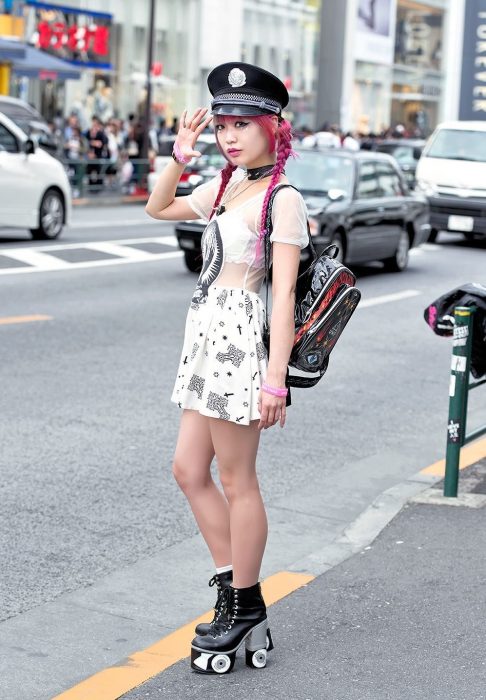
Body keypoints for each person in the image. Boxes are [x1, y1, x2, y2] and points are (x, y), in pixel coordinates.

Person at [146, 62, 308, 675]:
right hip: (205, 338)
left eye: (244, 124)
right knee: (188, 470)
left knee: (239, 480)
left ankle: (242, 604)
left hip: (242, 343)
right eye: (223, 125)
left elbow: (285, 296)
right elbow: (158, 209)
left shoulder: (282, 200)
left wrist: (276, 378)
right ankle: (232, 588)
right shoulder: (224, 186)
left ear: (273, 127)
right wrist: (181, 154)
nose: (232, 136)